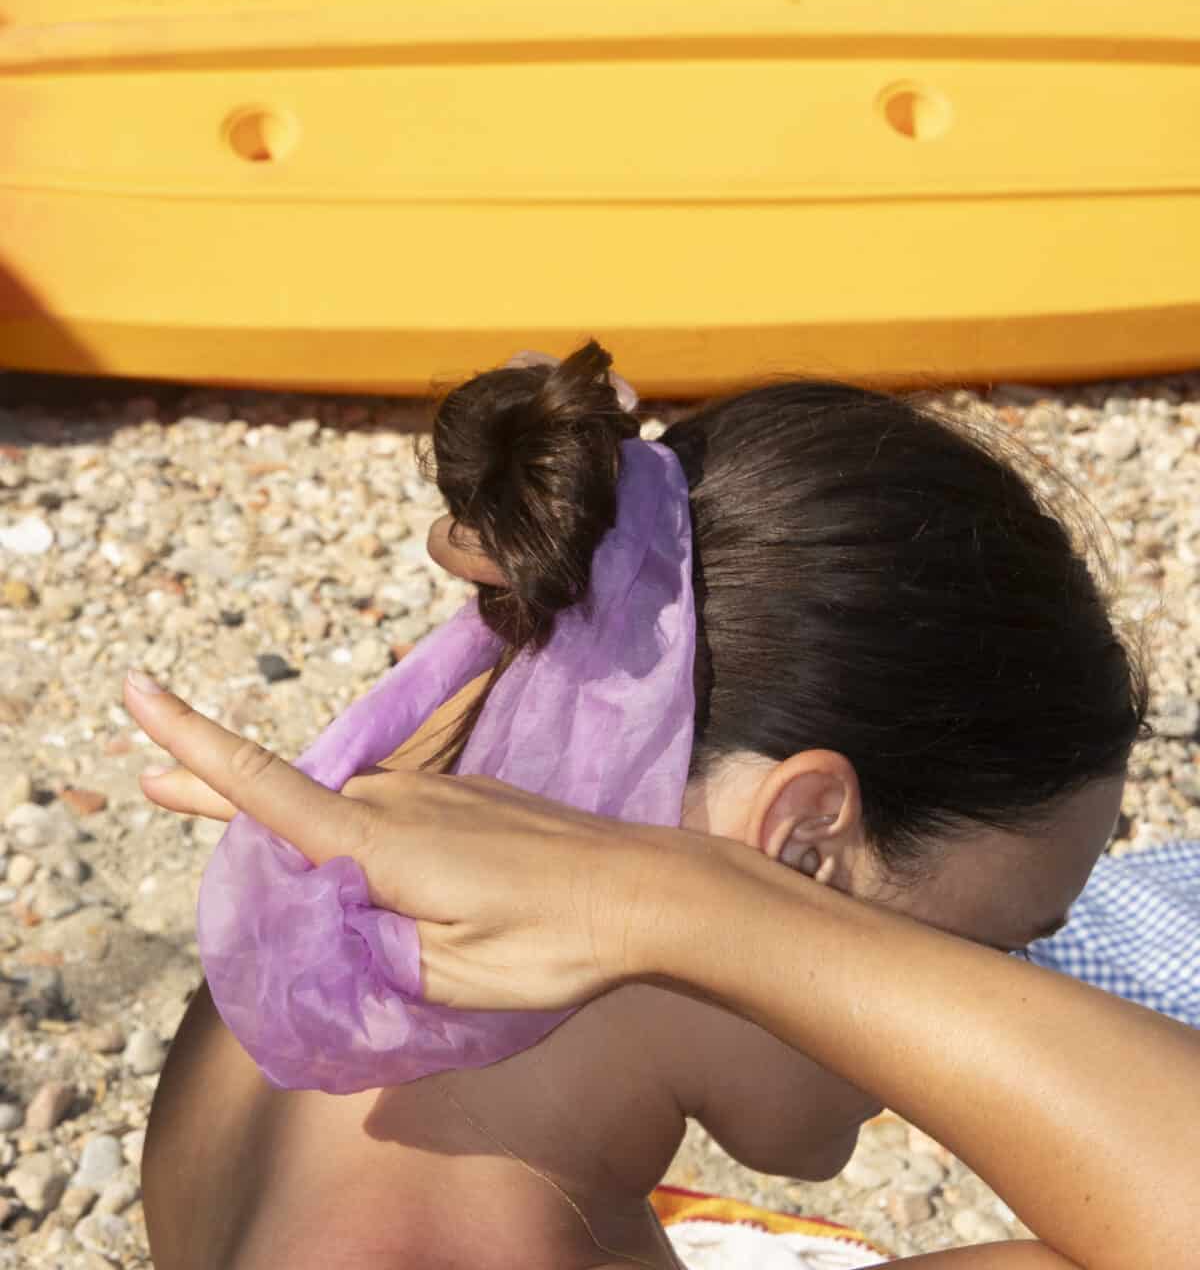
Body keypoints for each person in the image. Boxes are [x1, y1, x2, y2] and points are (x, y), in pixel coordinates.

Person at [124, 346, 1163, 1270]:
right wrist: (697, 910)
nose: (1010, 1006)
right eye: (999, 948)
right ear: (800, 844)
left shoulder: (309, 968)